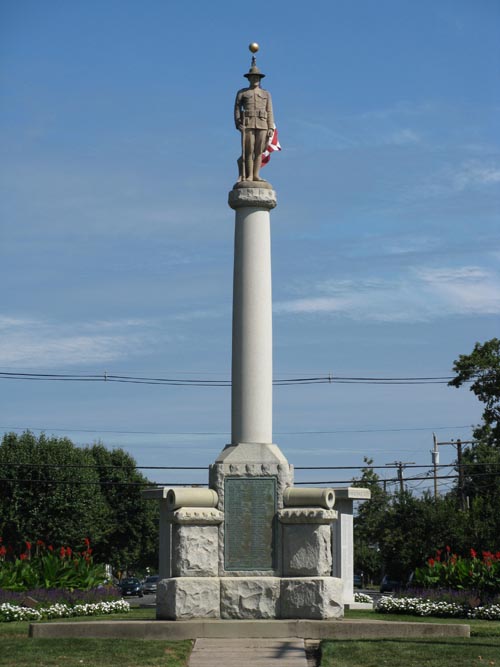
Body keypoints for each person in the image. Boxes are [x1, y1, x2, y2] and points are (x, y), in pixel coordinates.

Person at [234, 60, 274, 182]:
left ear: (260, 78)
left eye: (257, 77)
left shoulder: (266, 94)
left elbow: (270, 110)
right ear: (249, 78)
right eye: (252, 77)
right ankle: (249, 175)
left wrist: (270, 127)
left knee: (258, 151)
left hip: (262, 125)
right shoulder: (242, 92)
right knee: (248, 151)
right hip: (248, 124)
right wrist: (238, 123)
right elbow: (236, 108)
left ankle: (256, 175)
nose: (255, 79)